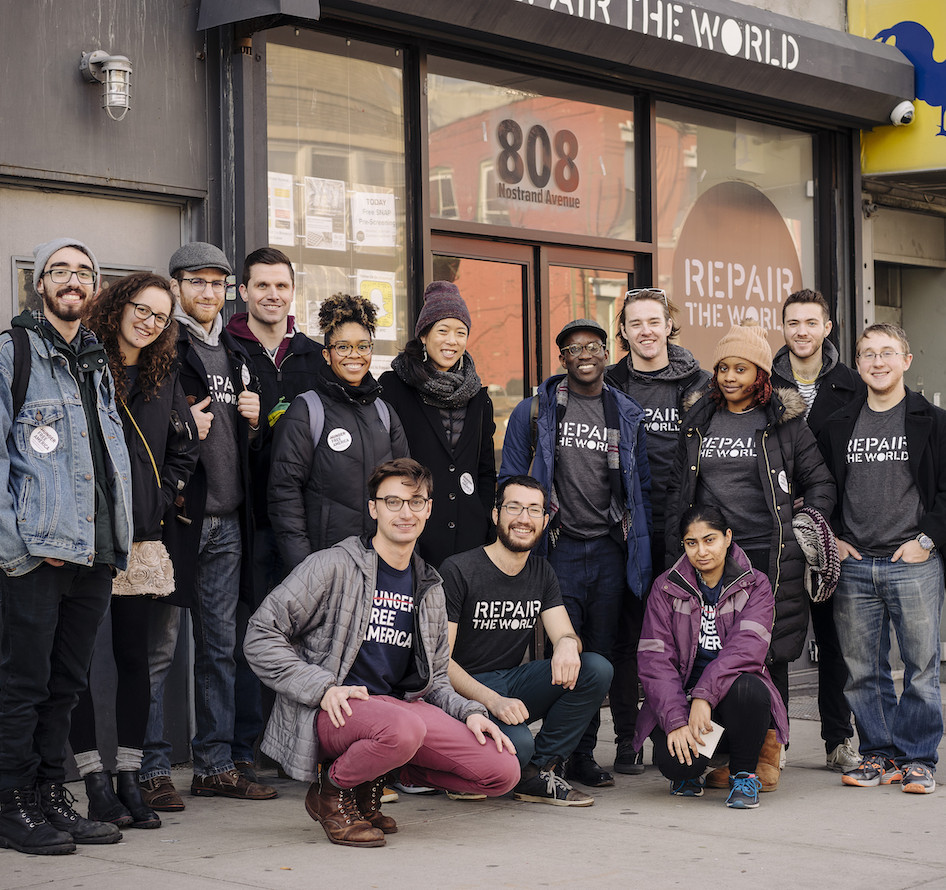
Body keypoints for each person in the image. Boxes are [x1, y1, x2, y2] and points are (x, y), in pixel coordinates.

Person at [244, 458, 520, 847]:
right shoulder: (332, 566)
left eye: (415, 501)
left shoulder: (430, 585)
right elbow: (260, 633)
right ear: (373, 508)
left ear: (428, 508)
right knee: (403, 727)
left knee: (502, 770)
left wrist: (471, 713)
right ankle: (331, 793)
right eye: (392, 502)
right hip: (333, 710)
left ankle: (373, 778)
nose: (404, 512)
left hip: (398, 714)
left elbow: (436, 679)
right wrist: (322, 688)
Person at [0, 238, 133, 854]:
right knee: (22, 687)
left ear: (94, 288)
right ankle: (11, 803)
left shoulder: (96, 361)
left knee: (64, 687)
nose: (72, 280)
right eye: (60, 271)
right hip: (35, 556)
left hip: (93, 554)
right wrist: (17, 548)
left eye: (83, 272)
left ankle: (52, 795)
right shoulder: (12, 353)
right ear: (39, 284)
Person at [665, 319, 835, 791]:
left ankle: (767, 757)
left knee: (768, 652)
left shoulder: (783, 423)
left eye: (741, 368)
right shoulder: (699, 419)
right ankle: (723, 752)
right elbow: (679, 492)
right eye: (722, 368)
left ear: (760, 374)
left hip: (768, 553)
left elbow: (820, 482)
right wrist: (671, 550)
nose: (729, 377)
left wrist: (808, 526)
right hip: (709, 553)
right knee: (708, 649)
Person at [138, 242, 276, 811]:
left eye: (217, 283)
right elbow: (136, 425)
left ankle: (214, 764)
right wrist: (179, 422)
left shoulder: (237, 352)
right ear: (175, 287)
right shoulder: (159, 348)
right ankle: (148, 768)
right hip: (178, 521)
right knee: (158, 650)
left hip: (228, 521)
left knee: (221, 648)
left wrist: (253, 424)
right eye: (197, 281)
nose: (208, 292)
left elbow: (255, 441)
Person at [69, 272, 198, 830]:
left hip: (141, 538)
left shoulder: (160, 372)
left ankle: (128, 777)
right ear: (119, 305)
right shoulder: (83, 363)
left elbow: (184, 445)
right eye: (141, 310)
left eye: (161, 317)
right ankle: (91, 781)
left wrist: (162, 494)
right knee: (71, 664)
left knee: (135, 662)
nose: (149, 323)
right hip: (83, 535)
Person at [500, 318, 651, 789]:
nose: (584, 354)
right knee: (562, 655)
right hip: (557, 550)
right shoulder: (537, 410)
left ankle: (584, 755)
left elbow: (639, 486)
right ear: (562, 358)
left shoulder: (624, 412)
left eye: (593, 346)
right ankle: (557, 754)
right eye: (573, 348)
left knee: (599, 657)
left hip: (608, 550)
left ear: (607, 352)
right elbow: (509, 478)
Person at [816, 323, 946, 795]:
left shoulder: (933, 421)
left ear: (906, 360)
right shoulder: (839, 424)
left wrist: (926, 542)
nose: (878, 361)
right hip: (855, 564)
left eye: (888, 353)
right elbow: (821, 488)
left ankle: (918, 759)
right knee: (862, 669)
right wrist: (835, 537)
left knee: (920, 666)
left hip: (912, 562)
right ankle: (877, 754)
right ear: (859, 364)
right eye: (868, 354)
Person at [442, 475, 612, 807]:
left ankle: (537, 773)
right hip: (463, 691)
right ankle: (467, 770)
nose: (524, 518)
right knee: (519, 745)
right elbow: (440, 664)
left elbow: (566, 633)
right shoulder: (459, 570)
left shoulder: (541, 571)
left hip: (510, 681)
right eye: (514, 507)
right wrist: (492, 701)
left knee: (595, 668)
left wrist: (565, 643)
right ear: (496, 515)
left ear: (545, 522)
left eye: (534, 510)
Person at [225, 247, 326, 779]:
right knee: (250, 635)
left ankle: (298, 749)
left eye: (281, 286)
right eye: (260, 285)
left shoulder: (312, 356)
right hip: (243, 519)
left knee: (307, 637)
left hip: (304, 522)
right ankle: (245, 749)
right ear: (243, 291)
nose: (271, 295)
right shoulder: (225, 349)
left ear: (292, 291)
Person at [605, 286, 709, 774]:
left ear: (670, 324)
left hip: (683, 528)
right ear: (623, 332)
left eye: (654, 321)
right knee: (628, 638)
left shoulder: (701, 384)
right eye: (635, 324)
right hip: (624, 527)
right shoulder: (606, 384)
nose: (646, 331)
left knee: (684, 639)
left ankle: (685, 736)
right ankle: (628, 739)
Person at [634, 506, 788, 809]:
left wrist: (704, 696)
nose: (701, 551)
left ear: (727, 537)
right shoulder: (666, 587)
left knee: (749, 688)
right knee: (676, 766)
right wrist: (677, 719)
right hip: (684, 703)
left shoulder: (755, 584)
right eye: (692, 543)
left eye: (710, 540)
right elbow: (655, 660)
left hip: (731, 702)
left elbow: (746, 651)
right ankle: (700, 767)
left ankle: (743, 774)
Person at [770, 288, 865, 774]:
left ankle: (837, 739)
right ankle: (777, 740)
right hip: (776, 532)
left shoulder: (853, 384)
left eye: (811, 322)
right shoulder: (762, 384)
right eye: (793, 322)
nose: (802, 331)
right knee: (778, 642)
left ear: (828, 328)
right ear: (782, 328)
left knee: (834, 641)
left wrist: (840, 528)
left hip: (834, 531)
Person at [269, 293, 409, 571]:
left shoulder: (385, 413)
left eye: (362, 346)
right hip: (326, 566)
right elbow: (285, 495)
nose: (354, 355)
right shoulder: (306, 410)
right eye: (343, 347)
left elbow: (405, 486)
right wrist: (305, 568)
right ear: (327, 354)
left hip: (381, 562)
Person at [379, 280, 496, 568]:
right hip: (413, 530)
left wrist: (483, 518)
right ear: (423, 335)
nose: (451, 341)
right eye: (442, 331)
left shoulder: (477, 396)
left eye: (460, 332)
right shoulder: (394, 386)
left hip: (469, 536)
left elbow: (485, 469)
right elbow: (383, 462)